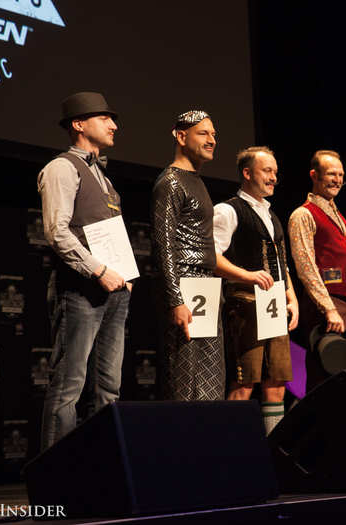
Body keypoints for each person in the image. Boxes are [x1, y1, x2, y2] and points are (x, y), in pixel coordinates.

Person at [38, 92, 131, 450]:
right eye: (104, 118)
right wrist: (98, 270)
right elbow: (56, 231)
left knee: (109, 387)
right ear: (79, 124)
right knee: (68, 386)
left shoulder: (103, 176)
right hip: (80, 290)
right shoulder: (63, 167)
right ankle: (56, 480)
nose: (114, 125)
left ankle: (101, 470)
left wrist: (124, 276)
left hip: (114, 292)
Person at [213, 146, 299, 433]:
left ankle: (272, 449)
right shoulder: (227, 210)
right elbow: (211, 258)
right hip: (245, 304)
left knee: (276, 382)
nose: (273, 177)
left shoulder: (271, 214)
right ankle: (232, 448)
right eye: (267, 171)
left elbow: (280, 262)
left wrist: (292, 297)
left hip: (273, 305)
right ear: (247, 173)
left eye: (275, 172)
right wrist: (246, 275)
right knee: (245, 381)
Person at [151, 110, 224, 401]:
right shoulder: (170, 182)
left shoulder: (197, 181)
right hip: (185, 284)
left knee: (210, 379)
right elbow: (162, 243)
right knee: (185, 378)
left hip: (205, 285)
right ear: (181, 137)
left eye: (214, 134)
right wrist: (176, 298)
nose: (212, 140)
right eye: (203, 133)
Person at [288, 150, 346, 391]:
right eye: (331, 174)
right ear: (314, 175)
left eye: (341, 175)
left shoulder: (339, 217)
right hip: (330, 308)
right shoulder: (303, 214)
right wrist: (329, 308)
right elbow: (306, 267)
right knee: (329, 381)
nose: (337, 180)